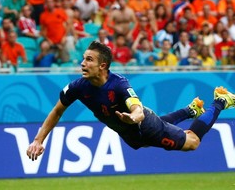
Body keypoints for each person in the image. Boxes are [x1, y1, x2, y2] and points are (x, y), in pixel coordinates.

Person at [26, 41, 235, 161]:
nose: (82, 63)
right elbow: (57, 111)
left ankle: (220, 101)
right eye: (83, 58)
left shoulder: (119, 84)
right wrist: (38, 140)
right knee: (148, 137)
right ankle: (189, 111)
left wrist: (132, 117)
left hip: (147, 127)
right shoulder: (77, 87)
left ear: (102, 65)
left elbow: (138, 109)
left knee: (192, 142)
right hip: (131, 136)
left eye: (89, 60)